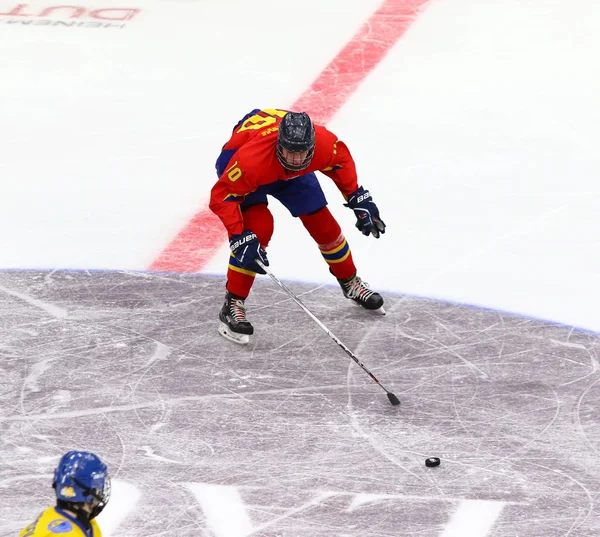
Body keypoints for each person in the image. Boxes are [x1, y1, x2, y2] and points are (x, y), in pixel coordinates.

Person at [209, 108, 386, 345]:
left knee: (324, 226)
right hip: (249, 172)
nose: (295, 160)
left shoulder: (323, 144)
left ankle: (351, 282)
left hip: (279, 170)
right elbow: (222, 196)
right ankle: (232, 303)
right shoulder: (249, 161)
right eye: (289, 152)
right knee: (258, 231)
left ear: (312, 146)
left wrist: (356, 196)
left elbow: (340, 161)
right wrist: (238, 235)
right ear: (278, 145)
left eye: (301, 152)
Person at [20, 451, 110, 537]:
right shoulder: (69, 533)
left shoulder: (48, 515)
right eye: (98, 488)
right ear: (88, 493)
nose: (100, 492)